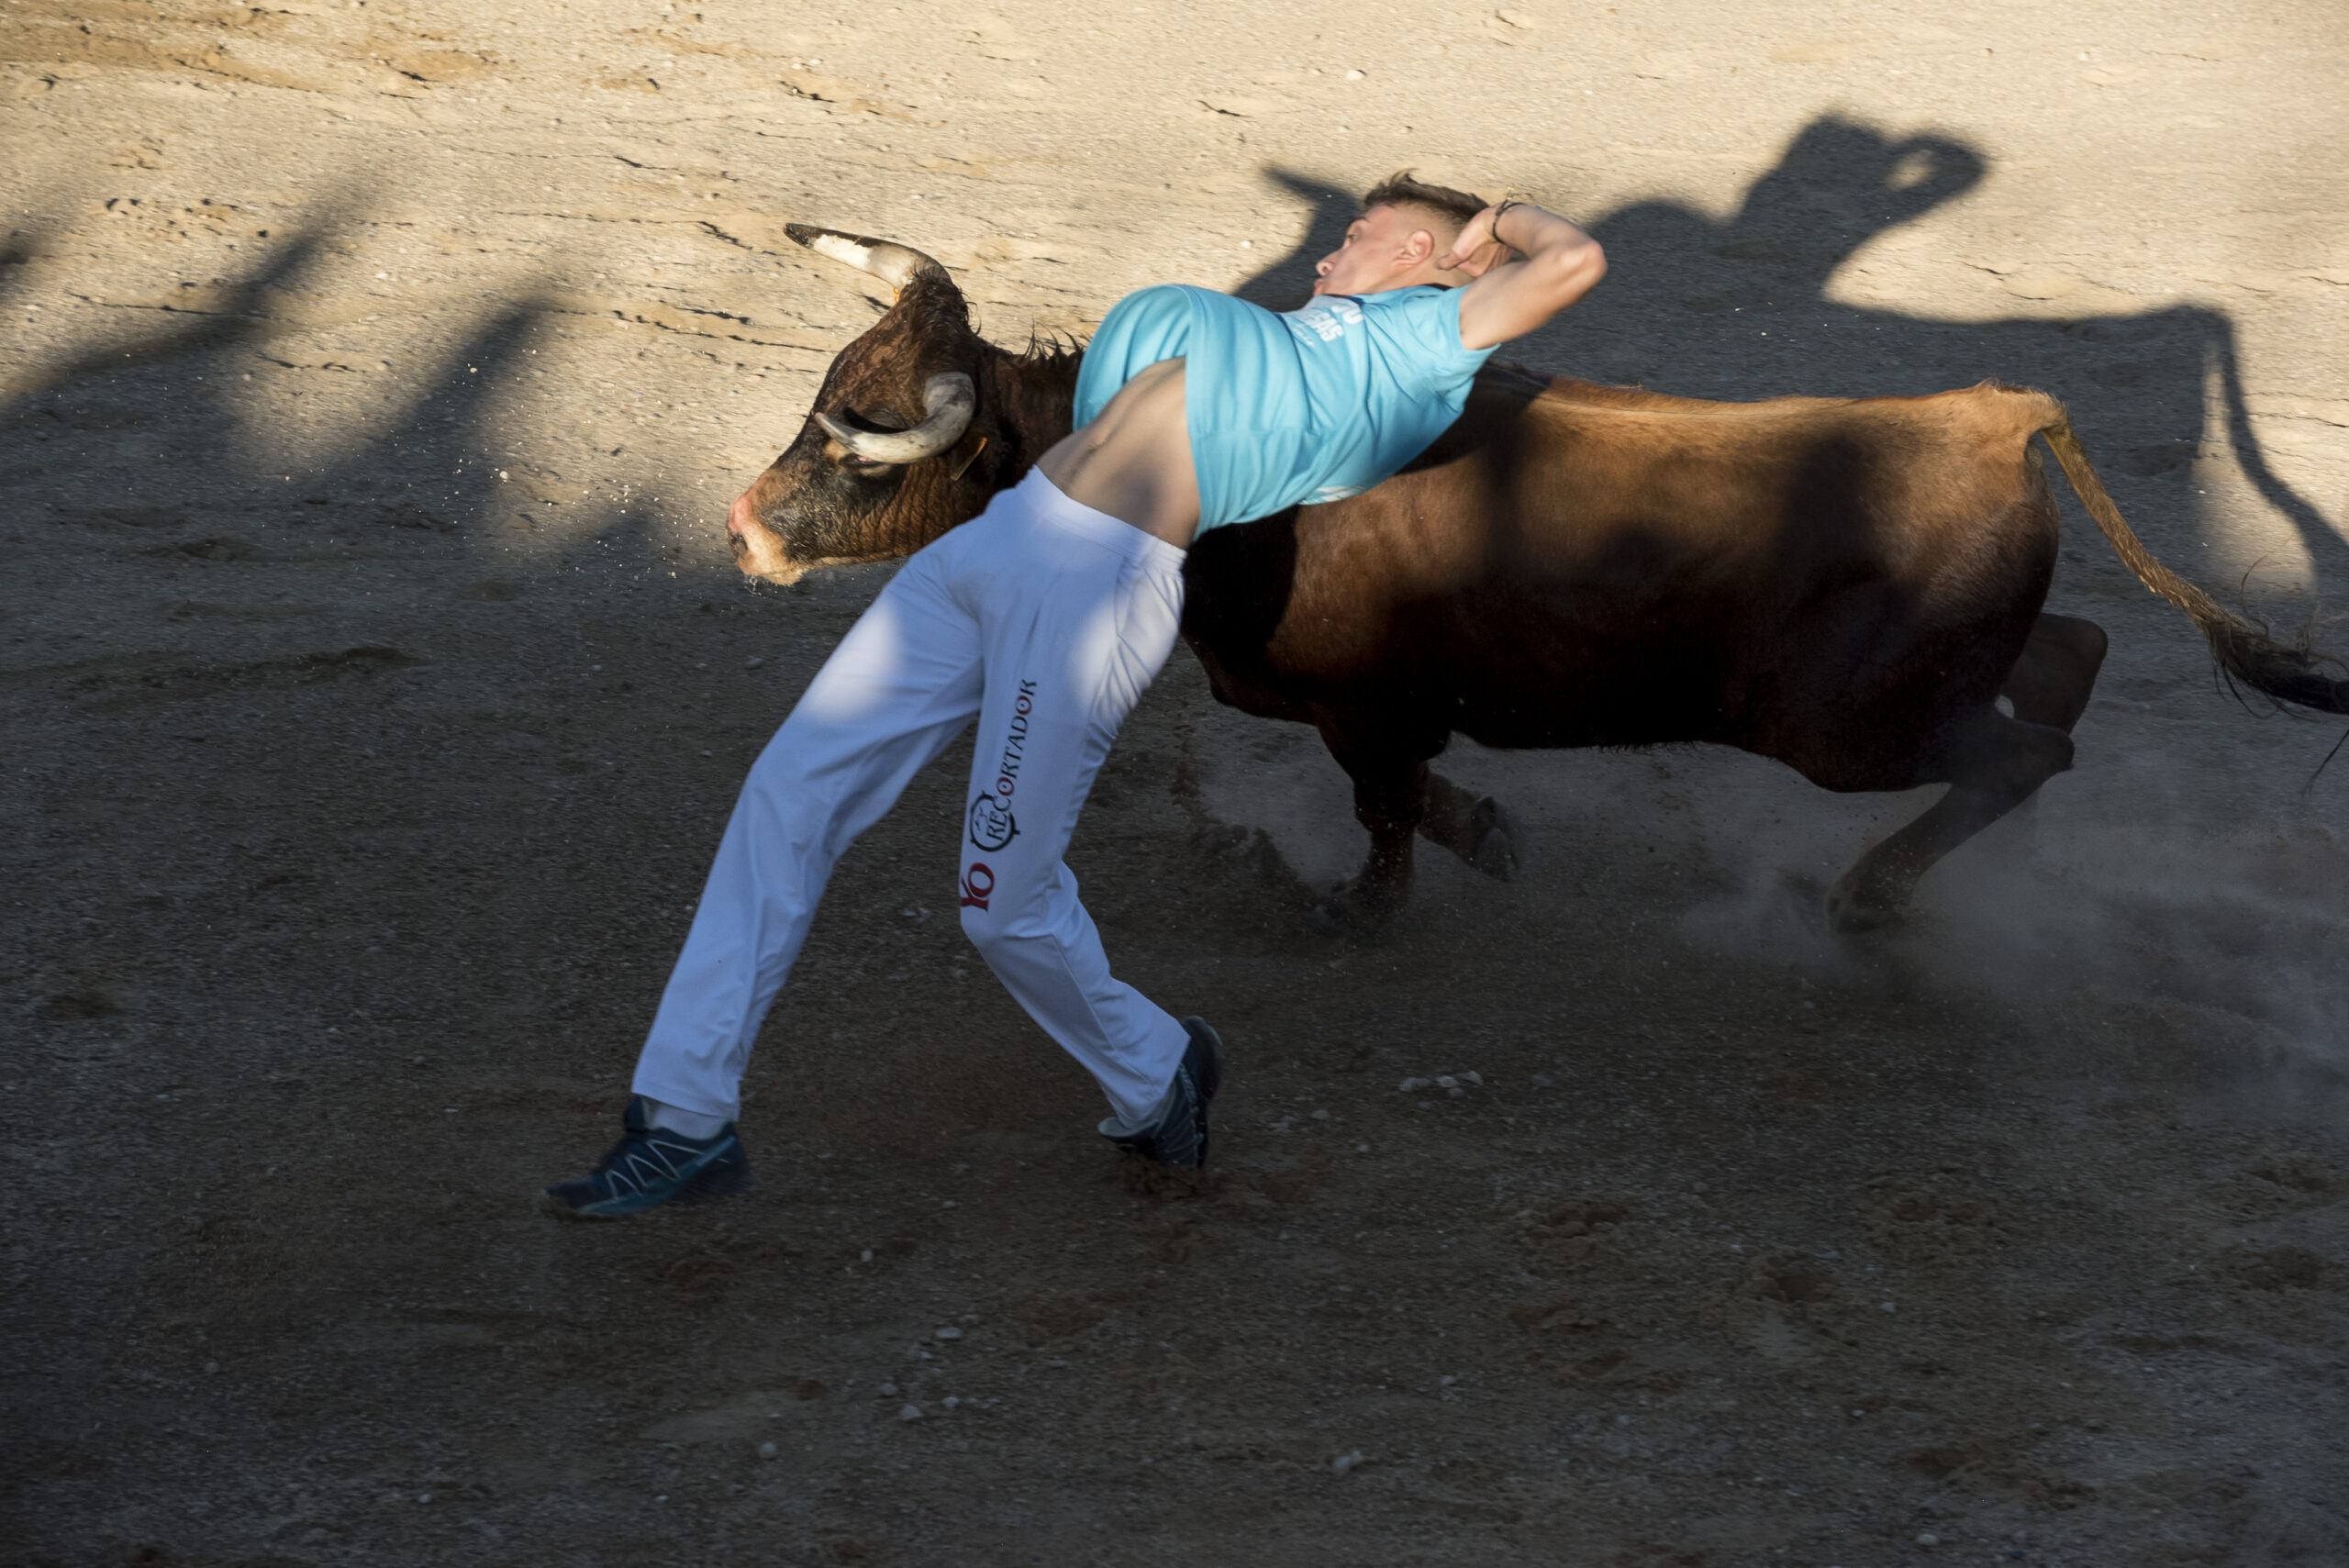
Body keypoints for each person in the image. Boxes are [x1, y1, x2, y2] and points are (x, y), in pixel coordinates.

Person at [544, 174, 1606, 1217]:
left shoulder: (1419, 342)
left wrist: (1498, 218)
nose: (1328, 252)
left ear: (1418, 256)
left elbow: (1575, 260)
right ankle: (681, 1123)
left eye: (1357, 234)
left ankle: (1159, 1073)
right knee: (787, 793)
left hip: (1094, 588)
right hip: (997, 545)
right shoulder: (1278, 334)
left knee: (1001, 905)